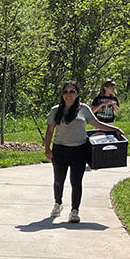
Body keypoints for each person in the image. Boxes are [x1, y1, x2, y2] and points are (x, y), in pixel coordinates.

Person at [43, 81, 102, 223]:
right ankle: (58, 204)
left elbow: (97, 124)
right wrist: (47, 148)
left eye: (72, 91)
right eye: (66, 92)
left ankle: (75, 210)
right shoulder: (56, 110)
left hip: (79, 150)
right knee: (58, 180)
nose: (68, 95)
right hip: (60, 149)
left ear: (77, 94)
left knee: (76, 181)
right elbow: (50, 131)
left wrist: (115, 129)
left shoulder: (84, 109)